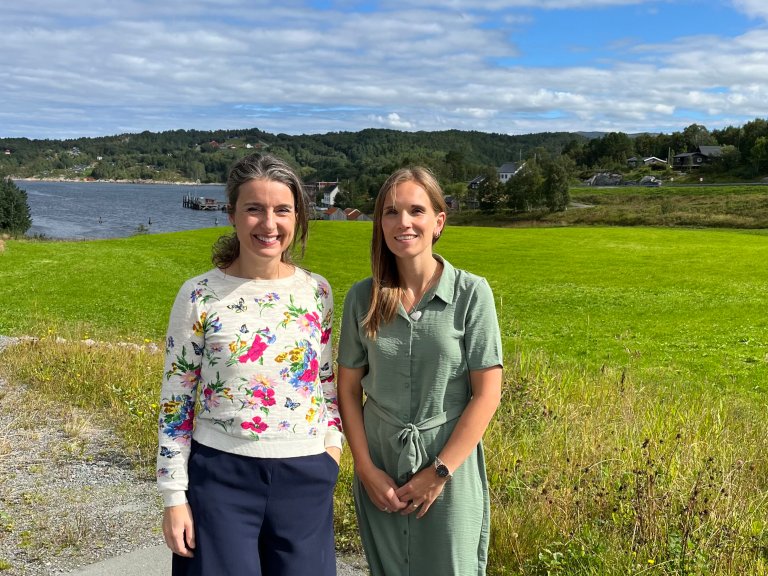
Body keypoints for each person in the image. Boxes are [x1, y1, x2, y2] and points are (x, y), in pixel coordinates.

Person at [157, 153, 343, 576]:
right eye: (254, 209)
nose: (269, 224)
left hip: (306, 474)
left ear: (298, 215)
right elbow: (176, 403)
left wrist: (332, 449)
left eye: (282, 210)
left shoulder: (318, 292)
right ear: (232, 215)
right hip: (220, 478)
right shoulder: (199, 295)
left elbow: (325, 382)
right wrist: (173, 496)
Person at [337, 166, 503, 575]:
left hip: (449, 467)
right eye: (391, 212)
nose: (403, 222)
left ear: (438, 221)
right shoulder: (363, 298)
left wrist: (439, 472)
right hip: (381, 471)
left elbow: (487, 394)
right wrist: (365, 468)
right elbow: (347, 391)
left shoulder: (471, 294)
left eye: (416, 210)